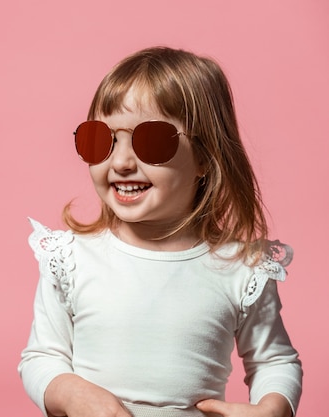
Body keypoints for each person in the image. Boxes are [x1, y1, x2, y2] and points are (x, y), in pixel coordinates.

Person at [18, 47, 302, 417]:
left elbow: (275, 361)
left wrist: (273, 407)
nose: (119, 162)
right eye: (100, 140)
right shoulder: (70, 259)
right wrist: (70, 392)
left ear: (204, 157)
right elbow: (42, 357)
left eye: (151, 141)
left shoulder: (243, 269)